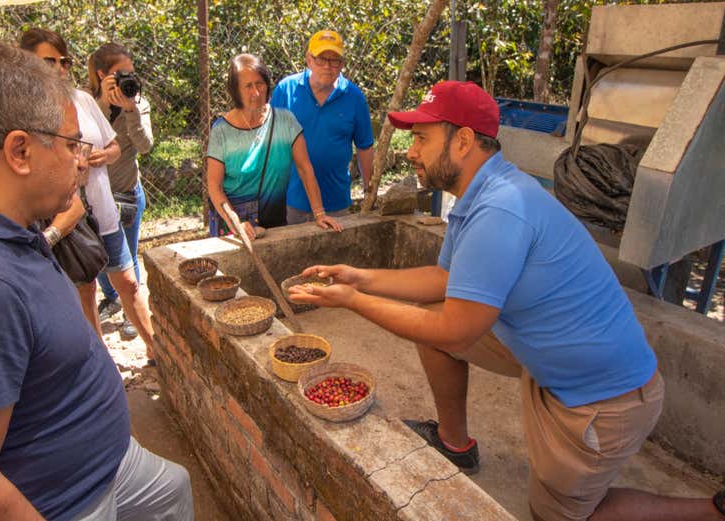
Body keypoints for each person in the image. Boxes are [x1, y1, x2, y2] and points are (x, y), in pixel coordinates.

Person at [288, 80, 725, 521]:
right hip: (551, 352)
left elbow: (458, 327)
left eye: (421, 138)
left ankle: (710, 509)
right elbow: (445, 279)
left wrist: (352, 301)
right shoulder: (480, 194)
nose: (411, 151)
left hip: (603, 397)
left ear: (462, 141)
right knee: (434, 329)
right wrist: (360, 278)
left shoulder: (500, 209)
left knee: (563, 515)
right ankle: (454, 443)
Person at [0, 42, 193, 521]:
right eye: (72, 144)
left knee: (172, 489)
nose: (83, 161)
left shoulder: (10, 221)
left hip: (109, 461)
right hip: (68, 501)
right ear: (19, 151)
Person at [19, 29, 155, 361]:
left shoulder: (80, 100)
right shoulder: (20, 111)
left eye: (64, 62)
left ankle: (157, 349)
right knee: (85, 291)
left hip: (102, 209)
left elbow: (115, 146)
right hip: (63, 217)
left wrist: (102, 156)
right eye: (48, 61)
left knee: (130, 281)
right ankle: (100, 362)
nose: (59, 69)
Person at [207, 53, 342, 239]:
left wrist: (319, 214)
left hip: (274, 219)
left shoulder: (286, 121)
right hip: (232, 225)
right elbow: (214, 185)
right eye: (247, 86)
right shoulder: (221, 131)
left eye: (259, 83)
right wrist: (235, 223)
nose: (255, 92)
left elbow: (305, 169)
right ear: (235, 90)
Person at [271, 29, 374, 224]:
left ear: (342, 64)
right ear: (309, 59)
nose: (327, 66)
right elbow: (271, 142)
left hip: (336, 202)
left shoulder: (354, 97)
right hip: (292, 199)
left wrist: (368, 188)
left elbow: (364, 146)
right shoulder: (285, 90)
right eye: (321, 59)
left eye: (334, 60)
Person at [88, 43, 154, 340]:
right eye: (120, 73)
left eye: (131, 71)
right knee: (97, 257)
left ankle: (133, 309)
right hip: (91, 196)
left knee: (126, 258)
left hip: (126, 193)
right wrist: (103, 101)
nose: (128, 78)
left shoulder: (138, 102)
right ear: (102, 75)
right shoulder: (85, 102)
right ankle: (114, 299)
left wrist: (130, 111)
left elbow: (145, 145)